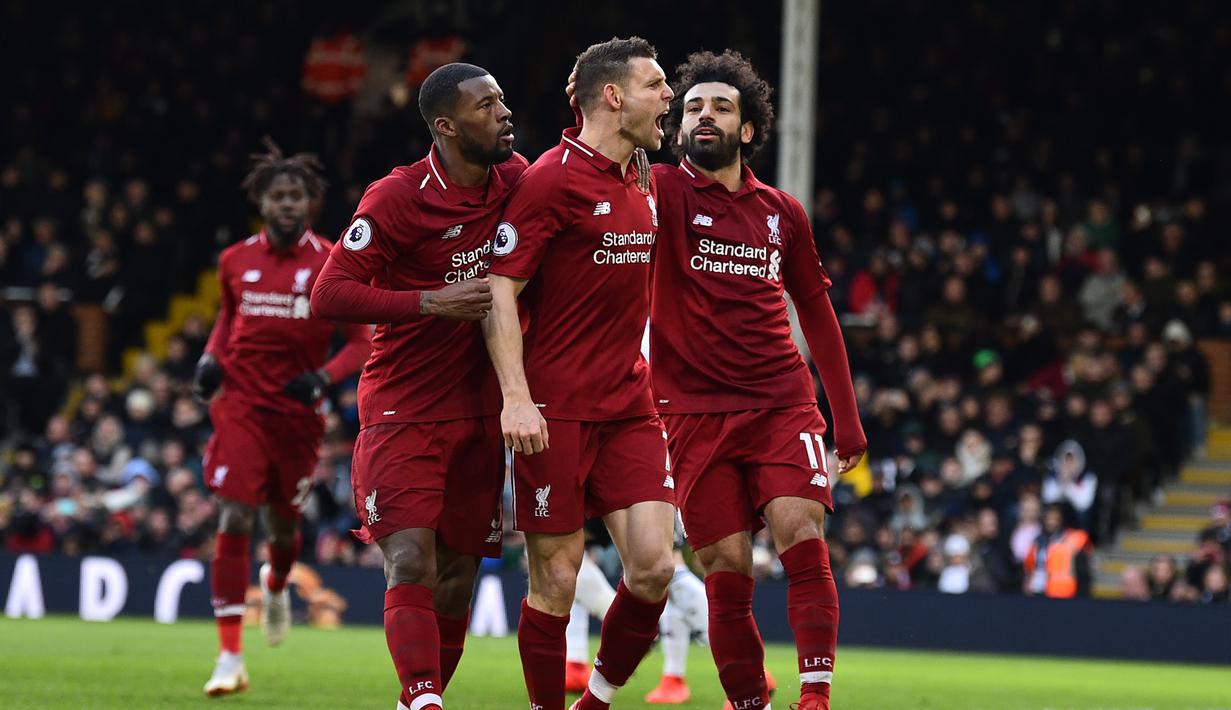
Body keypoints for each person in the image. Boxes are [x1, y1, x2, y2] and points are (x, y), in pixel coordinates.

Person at [646, 50, 866, 710]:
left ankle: (815, 699)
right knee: (725, 567)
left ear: (747, 130)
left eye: (719, 106)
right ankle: (749, 701)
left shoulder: (782, 213)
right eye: (690, 108)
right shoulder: (656, 191)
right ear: (677, 128)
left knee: (801, 528)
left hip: (780, 400)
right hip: (689, 412)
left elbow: (817, 315)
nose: (703, 116)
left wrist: (846, 418)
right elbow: (603, 153)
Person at [310, 63, 525, 710]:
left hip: (482, 410)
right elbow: (328, 294)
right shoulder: (396, 197)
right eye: (487, 106)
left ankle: (417, 702)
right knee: (410, 562)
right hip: (403, 409)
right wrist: (428, 301)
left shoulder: (515, 181)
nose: (505, 113)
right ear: (446, 127)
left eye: (503, 99)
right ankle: (424, 697)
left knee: (458, 580)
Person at [483, 37, 677, 710]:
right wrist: (515, 398)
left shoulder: (641, 174)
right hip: (554, 409)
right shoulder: (550, 179)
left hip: (629, 403)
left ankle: (595, 700)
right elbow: (500, 289)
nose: (669, 96)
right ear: (614, 96)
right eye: (656, 84)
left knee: (653, 568)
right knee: (556, 580)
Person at [196, 139, 371, 697]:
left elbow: (361, 343)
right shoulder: (234, 261)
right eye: (279, 196)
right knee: (233, 519)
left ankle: (275, 584)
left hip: (298, 413)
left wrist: (322, 379)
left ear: (311, 203)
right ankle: (228, 657)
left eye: (297, 196)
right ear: (263, 202)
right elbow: (228, 322)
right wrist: (209, 359)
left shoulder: (330, 263)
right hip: (241, 406)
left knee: (282, 527)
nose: (288, 204)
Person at [1023, 503, 1093, 598]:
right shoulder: (1037, 541)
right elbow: (1029, 567)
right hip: (1037, 592)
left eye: (1055, 519)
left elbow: (1083, 573)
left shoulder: (1072, 541)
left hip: (1063, 593)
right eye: (1048, 518)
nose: (1051, 522)